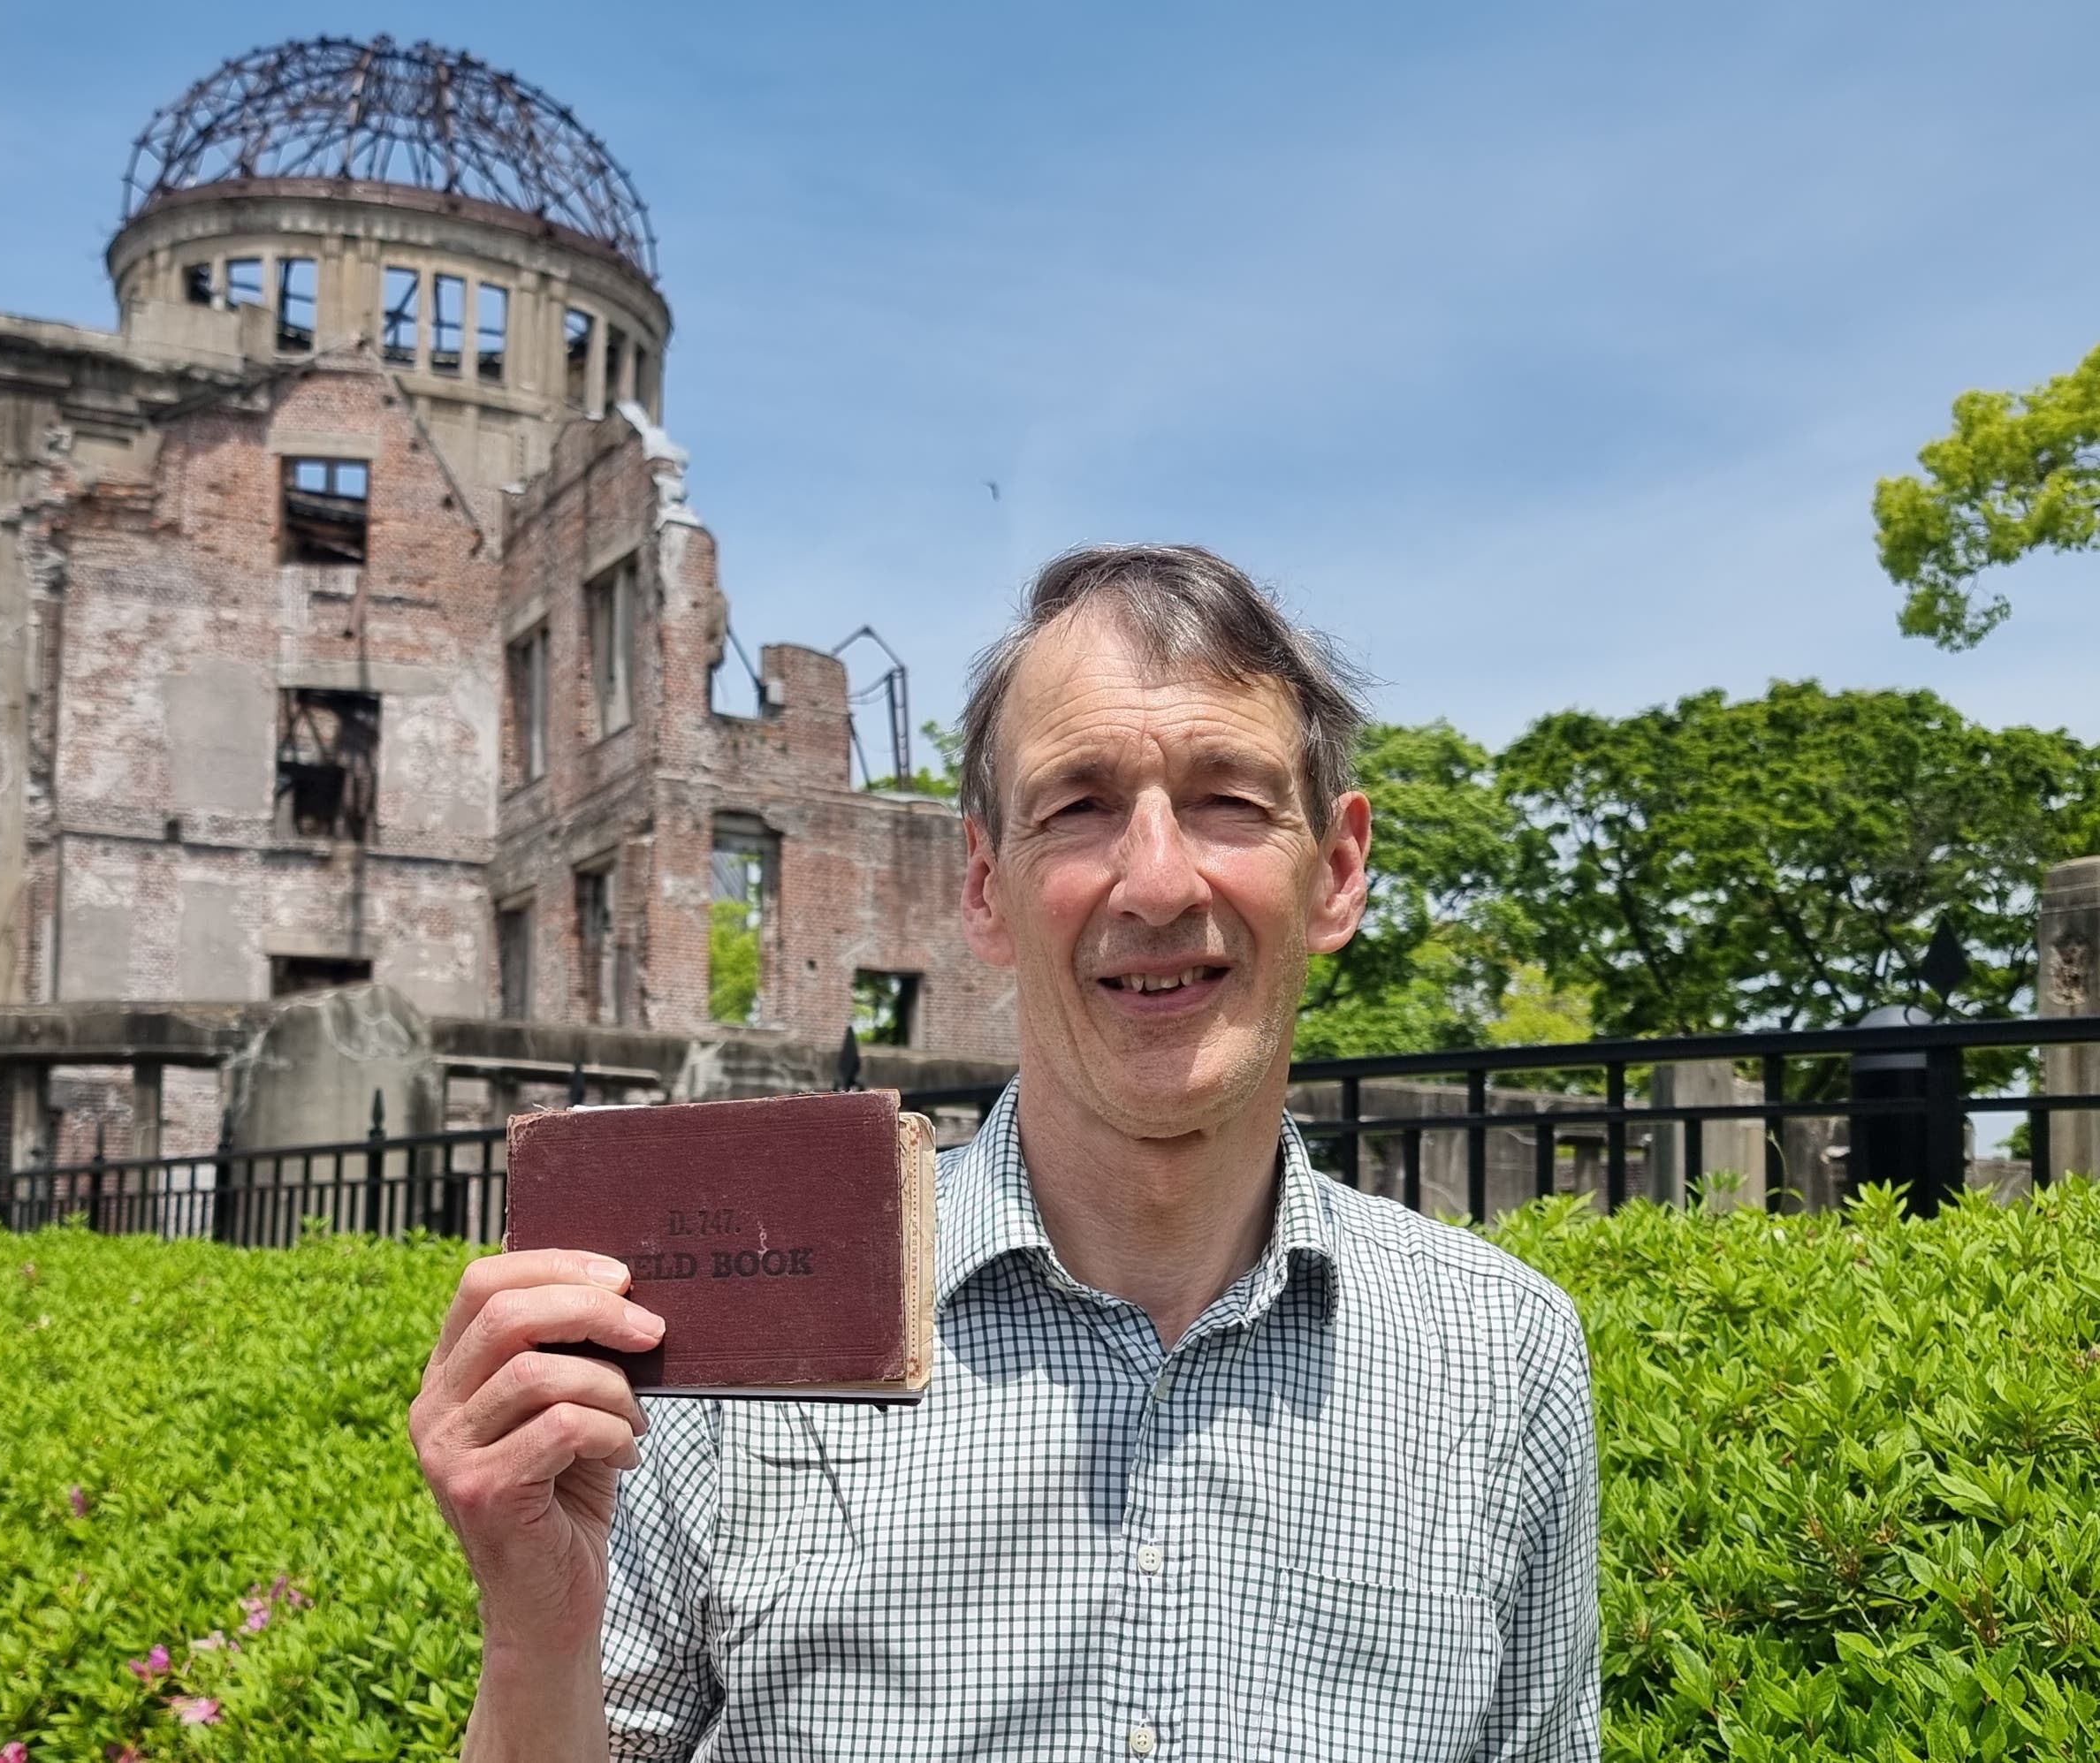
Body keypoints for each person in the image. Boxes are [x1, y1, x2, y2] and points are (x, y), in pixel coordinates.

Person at [413, 544, 1601, 1761]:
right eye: (1079, 804)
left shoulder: (1499, 1359)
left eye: (1229, 800)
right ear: (984, 882)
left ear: (1337, 873)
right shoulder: (718, 1350)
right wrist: (535, 1642)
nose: (1153, 880)